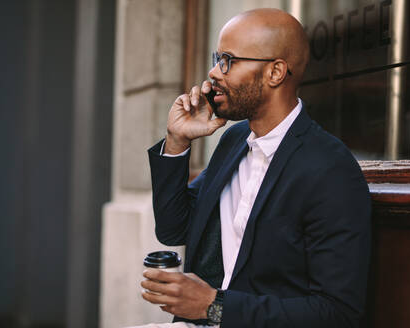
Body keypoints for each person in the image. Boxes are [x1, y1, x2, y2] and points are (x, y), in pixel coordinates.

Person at [140, 8, 371, 328]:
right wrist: (177, 140)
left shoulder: (330, 169)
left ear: (275, 72)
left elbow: (337, 313)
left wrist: (212, 306)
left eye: (228, 60)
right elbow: (173, 229)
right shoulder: (235, 141)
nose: (214, 73)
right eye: (216, 58)